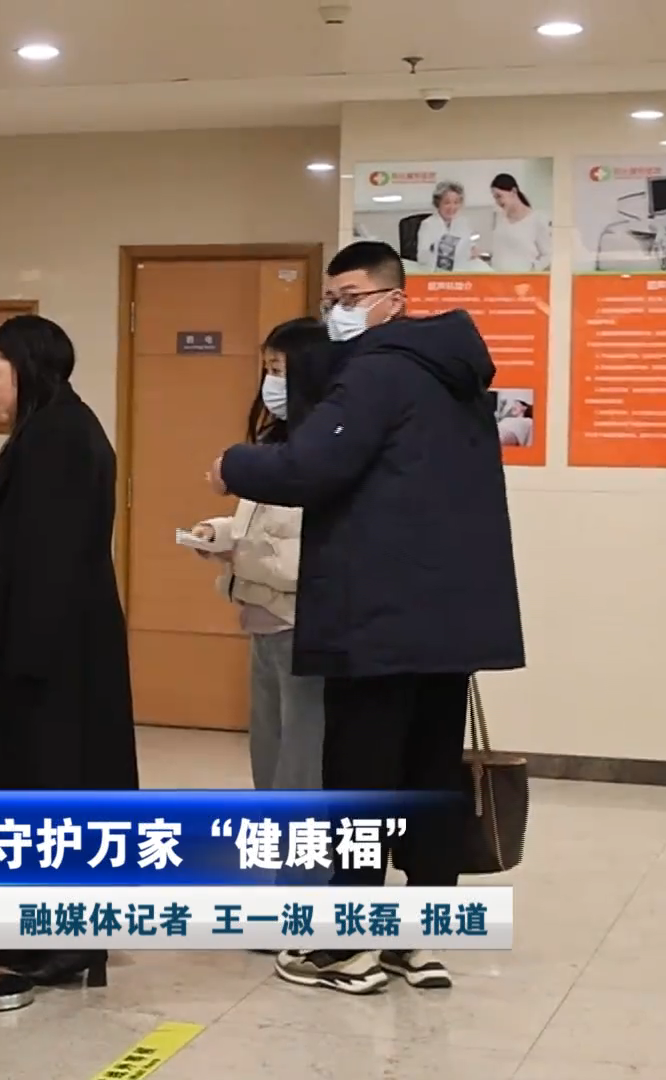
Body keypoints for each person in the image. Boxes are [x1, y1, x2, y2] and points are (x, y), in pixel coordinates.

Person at [206, 241, 526, 995]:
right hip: (448, 619)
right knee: (429, 779)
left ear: (394, 299)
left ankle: (347, 949)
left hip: (378, 616)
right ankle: (420, 943)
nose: (337, 313)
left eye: (350, 298)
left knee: (363, 782)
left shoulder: (380, 370)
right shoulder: (455, 378)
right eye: (329, 300)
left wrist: (232, 465)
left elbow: (312, 465)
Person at [0, 314, 139, 989]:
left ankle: (67, 940)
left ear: (26, 367)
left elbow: (48, 555)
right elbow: (31, 538)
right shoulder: (53, 430)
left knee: (53, 787)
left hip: (46, 649)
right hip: (50, 639)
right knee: (41, 788)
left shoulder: (58, 438)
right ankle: (42, 932)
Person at [188, 317, 325, 804]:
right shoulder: (276, 444)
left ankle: (300, 851)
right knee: (269, 759)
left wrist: (239, 553)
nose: (271, 382)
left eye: (280, 370)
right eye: (267, 369)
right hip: (262, 624)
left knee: (300, 767)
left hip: (301, 629)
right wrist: (220, 532)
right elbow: (266, 526)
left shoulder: (326, 450)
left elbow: (304, 554)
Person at [481, 173, 551, 271]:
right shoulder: (499, 218)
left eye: (499, 196)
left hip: (523, 277)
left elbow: (548, 255)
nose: (497, 201)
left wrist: (532, 269)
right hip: (498, 276)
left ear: (513, 191)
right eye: (495, 198)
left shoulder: (537, 219)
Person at [414, 180, 474, 271]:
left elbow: (468, 248)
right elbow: (422, 258)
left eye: (456, 202)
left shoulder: (463, 222)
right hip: (434, 272)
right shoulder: (428, 224)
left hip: (460, 271)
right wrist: (435, 249)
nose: (452, 207)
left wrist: (472, 249)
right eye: (447, 203)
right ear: (438, 204)